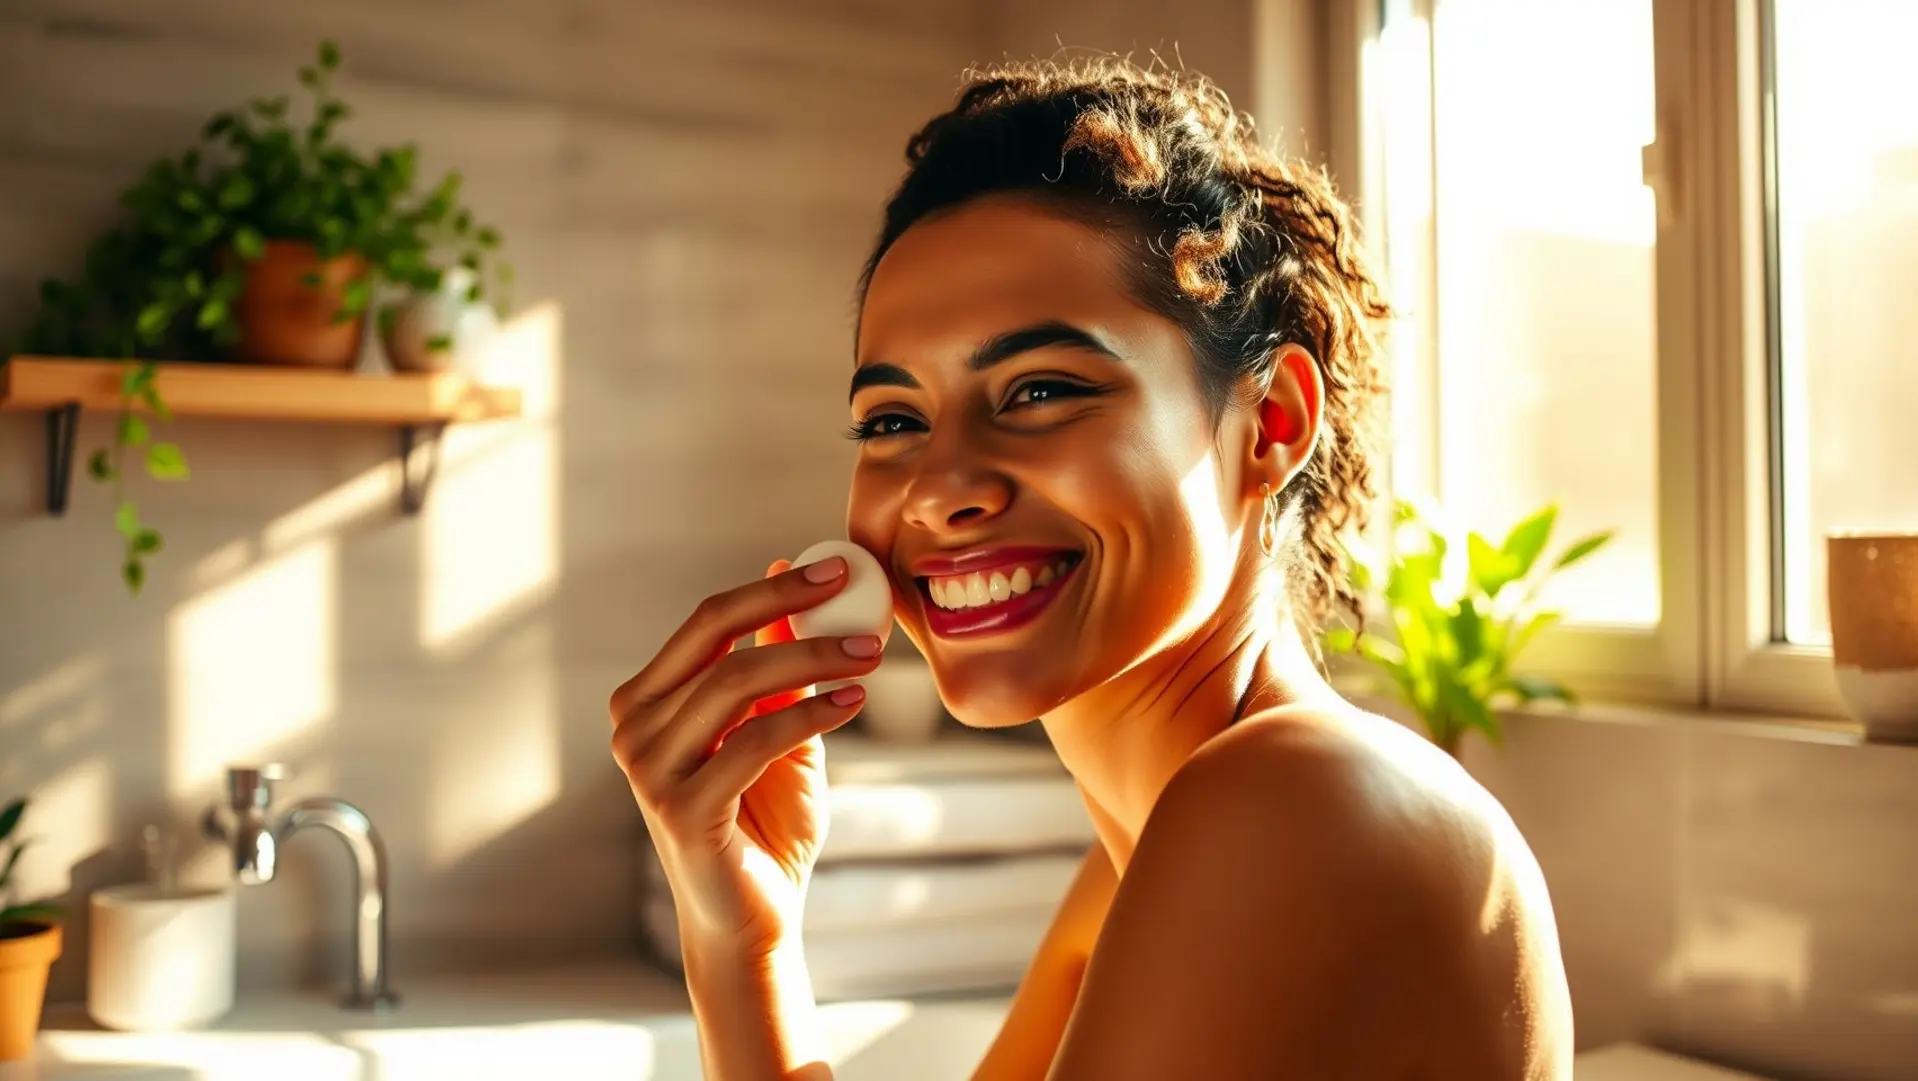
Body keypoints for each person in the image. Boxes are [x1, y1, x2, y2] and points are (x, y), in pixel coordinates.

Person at [608, 57, 1574, 1081]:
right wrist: (741, 937)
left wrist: (741, 959)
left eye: (1040, 390)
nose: (938, 488)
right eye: (893, 420)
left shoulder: (1293, 809)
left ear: (1272, 423)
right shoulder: (1131, 879)